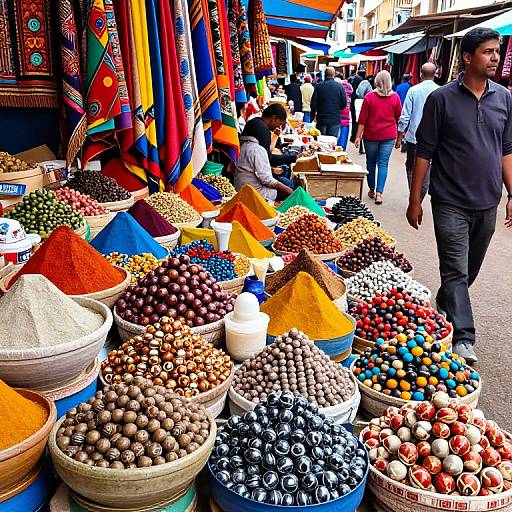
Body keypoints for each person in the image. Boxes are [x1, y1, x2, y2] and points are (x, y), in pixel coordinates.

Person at [406, 28, 512, 364]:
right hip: (449, 200)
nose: (495, 57)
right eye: (487, 52)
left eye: (497, 51)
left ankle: (445, 300)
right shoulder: (442, 99)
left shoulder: (504, 98)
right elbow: (425, 151)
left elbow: (506, 149)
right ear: (467, 57)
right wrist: (415, 199)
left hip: (487, 201)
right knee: (455, 269)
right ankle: (464, 337)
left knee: (467, 269)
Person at [354, 70, 401, 205]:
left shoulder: (369, 97)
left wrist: (358, 136)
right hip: (388, 136)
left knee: (371, 162)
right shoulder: (395, 97)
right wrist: (399, 136)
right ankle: (379, 193)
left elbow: (362, 119)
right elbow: (399, 118)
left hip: (371, 136)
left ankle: (372, 189)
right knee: (383, 163)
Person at [396, 63, 439, 200]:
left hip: (413, 137)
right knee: (428, 165)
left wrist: (399, 136)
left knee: (411, 165)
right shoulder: (441, 91)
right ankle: (420, 193)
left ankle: (413, 192)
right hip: (434, 138)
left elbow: (405, 116)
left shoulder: (413, 91)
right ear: (435, 74)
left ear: (421, 74)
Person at [235, 135, 293, 202]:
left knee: (285, 179)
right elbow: (266, 179)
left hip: (242, 189)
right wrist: (287, 189)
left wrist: (272, 169)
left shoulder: (242, 147)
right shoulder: (257, 149)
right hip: (255, 193)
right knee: (288, 186)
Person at [242, 103, 296, 168]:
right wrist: (293, 158)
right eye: (279, 123)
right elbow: (268, 159)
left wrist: (276, 136)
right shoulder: (262, 128)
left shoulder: (256, 122)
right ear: (274, 118)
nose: (279, 126)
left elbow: (266, 152)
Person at [310, 67, 347, 138]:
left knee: (320, 141)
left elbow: (313, 103)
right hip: (335, 119)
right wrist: (337, 110)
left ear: (324, 74)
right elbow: (344, 104)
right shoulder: (340, 87)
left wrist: (312, 117)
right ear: (334, 75)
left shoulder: (318, 86)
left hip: (322, 119)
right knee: (332, 142)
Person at [336, 74, 353, 150]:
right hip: (346, 117)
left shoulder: (336, 89)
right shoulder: (349, 89)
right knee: (343, 142)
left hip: (336, 117)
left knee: (334, 143)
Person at [350, 70, 365, 143]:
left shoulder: (354, 79)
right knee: (358, 120)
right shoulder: (362, 81)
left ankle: (353, 135)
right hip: (359, 101)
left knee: (354, 119)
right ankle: (356, 136)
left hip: (353, 100)